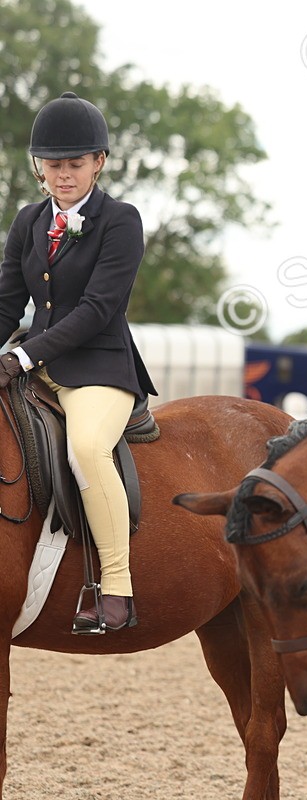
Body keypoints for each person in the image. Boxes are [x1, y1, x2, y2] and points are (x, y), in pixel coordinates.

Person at [0, 92, 157, 634]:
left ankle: (115, 587)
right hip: (35, 363)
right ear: (38, 166)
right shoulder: (27, 221)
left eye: (74, 164)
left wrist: (19, 357)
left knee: (88, 450)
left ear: (99, 162)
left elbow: (97, 310)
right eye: (53, 165)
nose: (62, 175)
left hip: (98, 367)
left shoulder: (121, 221)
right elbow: (6, 303)